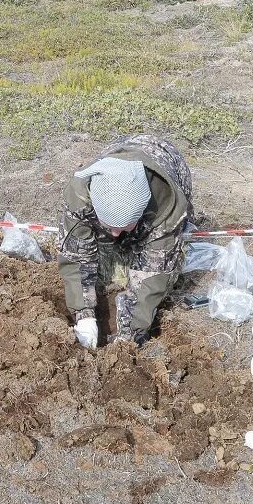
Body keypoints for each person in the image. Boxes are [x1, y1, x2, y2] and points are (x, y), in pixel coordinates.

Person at [57, 135, 195, 347]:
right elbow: (76, 256)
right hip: (122, 149)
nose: (114, 233)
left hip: (167, 160)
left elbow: (152, 276)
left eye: (124, 226)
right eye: (108, 225)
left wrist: (129, 334)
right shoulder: (80, 197)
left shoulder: (167, 208)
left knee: (165, 261)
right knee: (106, 252)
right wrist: (83, 314)